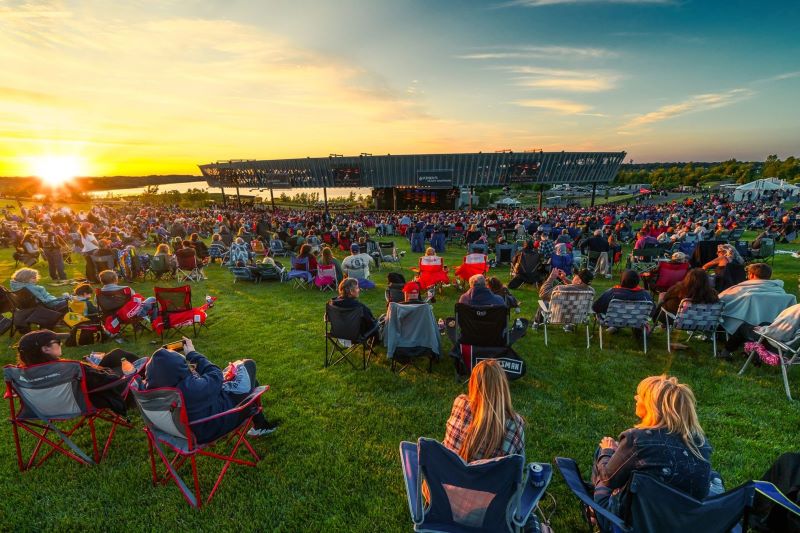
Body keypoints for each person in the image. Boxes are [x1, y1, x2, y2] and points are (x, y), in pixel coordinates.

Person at [591, 375, 712, 528]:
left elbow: (608, 479)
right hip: (680, 523)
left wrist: (607, 451)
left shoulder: (636, 439)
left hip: (635, 522)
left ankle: (595, 513)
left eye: (640, 395)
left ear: (652, 405)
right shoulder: (700, 444)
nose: (635, 398)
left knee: (603, 451)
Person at [143, 337, 277, 442]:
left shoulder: (152, 391)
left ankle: (260, 425)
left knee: (251, 381)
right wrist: (192, 354)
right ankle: (260, 426)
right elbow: (216, 374)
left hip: (185, 428)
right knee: (248, 364)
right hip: (216, 422)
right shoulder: (189, 389)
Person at [15, 330, 135, 415]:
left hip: (46, 408)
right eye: (57, 342)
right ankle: (144, 386)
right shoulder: (70, 368)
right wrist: (99, 369)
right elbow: (112, 380)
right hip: (87, 399)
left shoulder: (21, 375)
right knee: (123, 359)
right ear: (45, 349)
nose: (61, 344)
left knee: (116, 354)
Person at [443, 359, 524, 461]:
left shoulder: (460, 403)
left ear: (473, 383)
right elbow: (518, 465)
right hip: (490, 472)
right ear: (503, 387)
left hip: (447, 469)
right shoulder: (515, 424)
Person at [718, 263, 796, 359]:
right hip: (776, 328)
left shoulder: (740, 289)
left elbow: (720, 302)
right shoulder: (781, 292)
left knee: (728, 314)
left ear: (751, 275)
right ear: (769, 276)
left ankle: (726, 351)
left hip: (757, 330)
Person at [653, 268, 719, 348]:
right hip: (703, 323)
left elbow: (666, 298)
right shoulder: (712, 294)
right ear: (706, 281)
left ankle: (661, 325)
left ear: (688, 278)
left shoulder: (678, 289)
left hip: (678, 321)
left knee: (663, 299)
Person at [592, 269, 653, 336]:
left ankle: (614, 326)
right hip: (636, 321)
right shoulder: (645, 295)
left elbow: (596, 307)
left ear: (622, 280)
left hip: (613, 320)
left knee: (599, 313)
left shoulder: (613, 292)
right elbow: (652, 311)